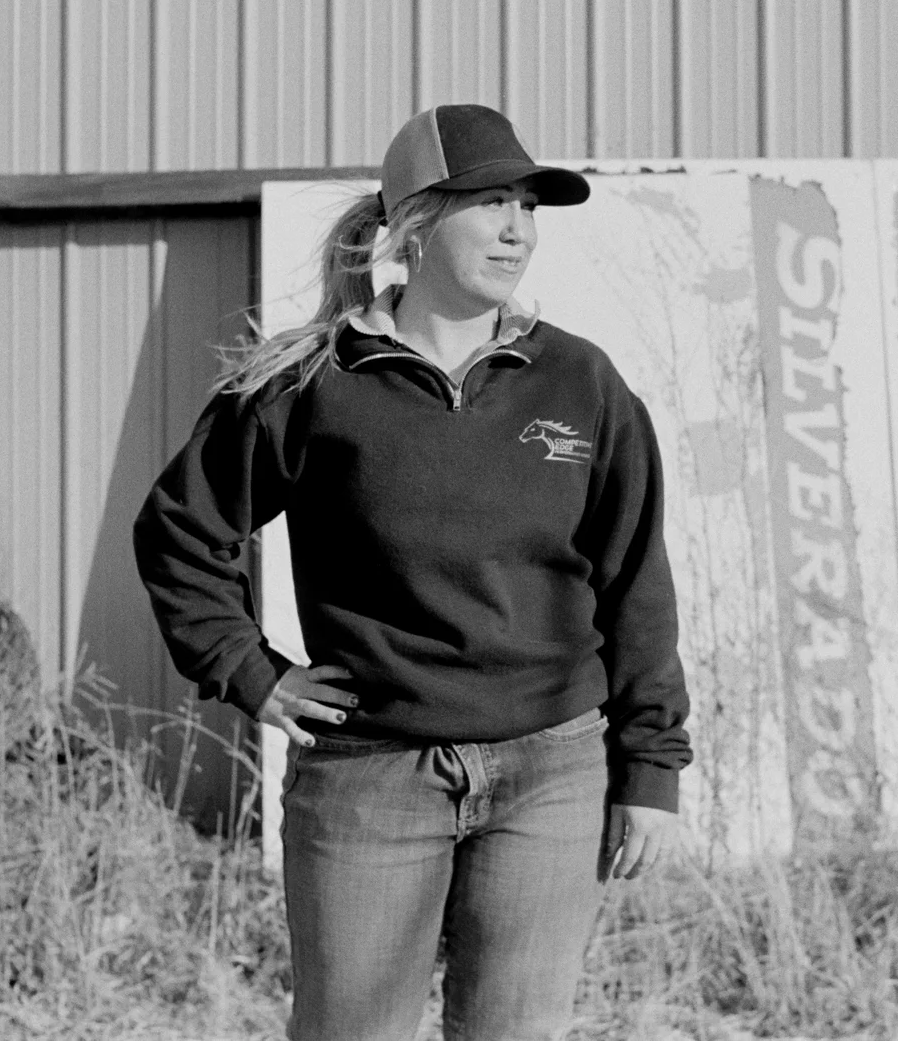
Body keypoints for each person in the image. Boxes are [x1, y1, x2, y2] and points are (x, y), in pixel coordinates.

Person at [133, 103, 691, 1041]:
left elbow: (636, 578)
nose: (518, 227)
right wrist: (250, 672)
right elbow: (181, 530)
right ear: (417, 223)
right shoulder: (311, 382)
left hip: (553, 770)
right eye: (491, 203)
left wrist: (651, 765)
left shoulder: (580, 382)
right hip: (370, 775)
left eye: (529, 205)